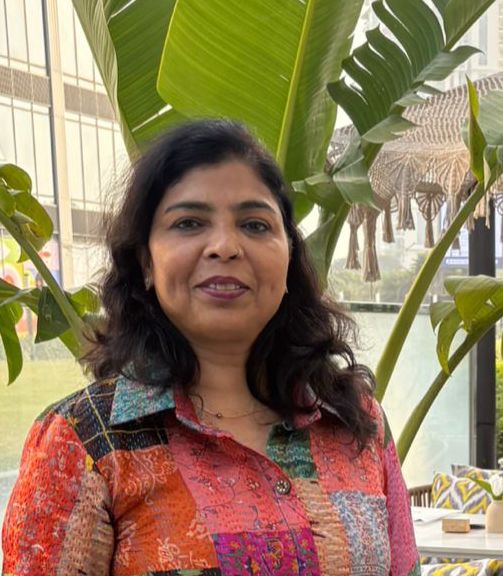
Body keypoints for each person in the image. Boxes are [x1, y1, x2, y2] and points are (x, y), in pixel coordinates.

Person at [2, 119, 419, 575]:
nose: (224, 246)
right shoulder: (84, 441)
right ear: (146, 262)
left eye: (255, 224)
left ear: (288, 259)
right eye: (189, 223)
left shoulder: (357, 421)